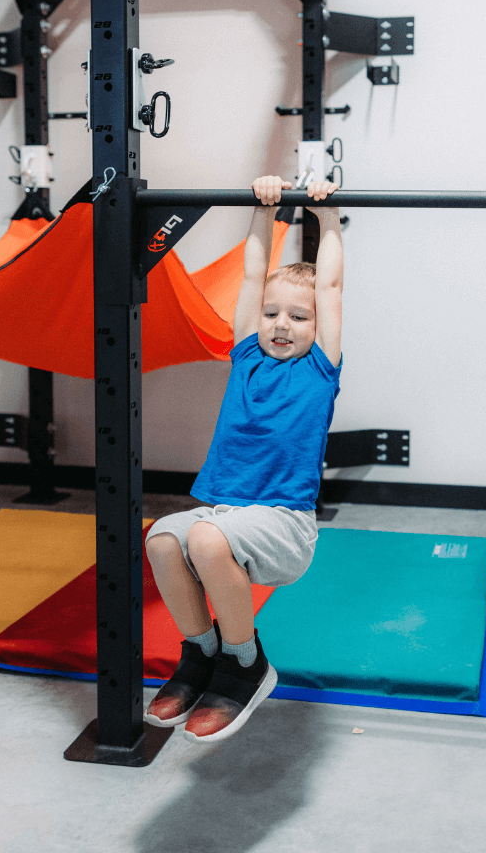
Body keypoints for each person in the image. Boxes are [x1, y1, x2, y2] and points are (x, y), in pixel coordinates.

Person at [144, 173, 343, 744]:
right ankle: (201, 654)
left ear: (317, 328)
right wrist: (265, 210)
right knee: (161, 537)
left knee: (204, 539)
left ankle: (245, 662)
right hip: (229, 514)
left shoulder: (318, 370)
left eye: (298, 318)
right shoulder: (247, 355)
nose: (282, 324)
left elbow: (328, 287)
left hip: (285, 524)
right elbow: (254, 276)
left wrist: (327, 216)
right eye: (273, 314)